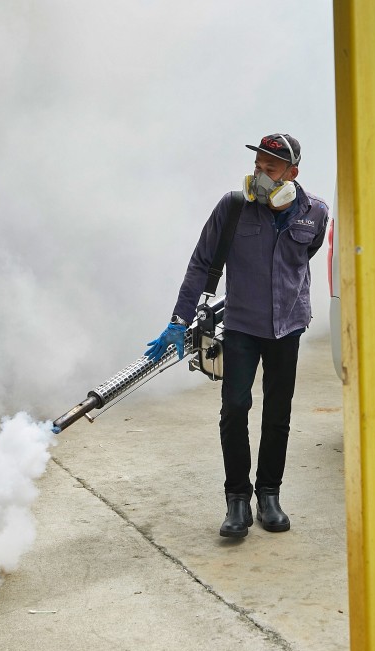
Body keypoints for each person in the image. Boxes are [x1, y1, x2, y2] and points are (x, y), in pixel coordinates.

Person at [144, 133, 329, 538]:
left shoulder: (315, 213)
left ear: (292, 173)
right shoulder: (233, 208)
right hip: (242, 326)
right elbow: (201, 263)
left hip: (288, 327)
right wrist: (179, 320)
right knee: (234, 408)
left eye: (271, 167)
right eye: (258, 165)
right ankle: (237, 500)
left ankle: (269, 496)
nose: (260, 173)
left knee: (278, 413)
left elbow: (305, 257)